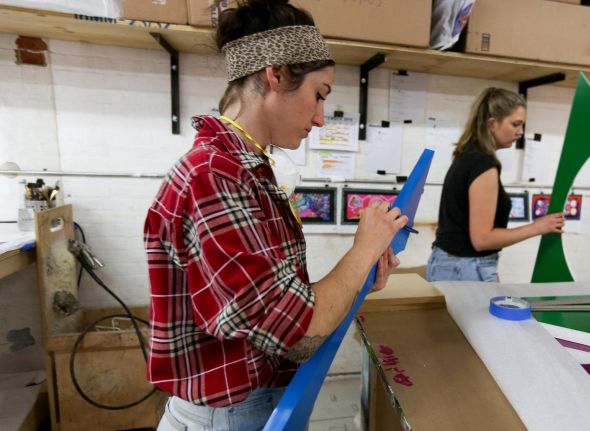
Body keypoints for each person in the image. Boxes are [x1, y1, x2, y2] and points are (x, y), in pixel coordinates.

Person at [143, 1, 408, 429]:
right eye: (318, 95)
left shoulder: (250, 171)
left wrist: (360, 275)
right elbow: (300, 335)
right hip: (229, 416)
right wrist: (362, 250)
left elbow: (285, 308)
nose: (321, 118)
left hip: (257, 403)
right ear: (277, 74)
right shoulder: (214, 177)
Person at [427, 87, 564, 283]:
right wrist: (538, 227)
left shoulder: (466, 157)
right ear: (492, 123)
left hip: (452, 264)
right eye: (515, 124)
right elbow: (482, 239)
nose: (520, 132)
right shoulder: (483, 164)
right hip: (465, 267)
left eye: (522, 125)